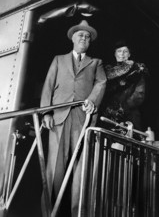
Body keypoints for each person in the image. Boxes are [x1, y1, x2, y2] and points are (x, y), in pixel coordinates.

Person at [40, 20, 107, 217]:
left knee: (81, 168)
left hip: (82, 118)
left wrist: (92, 101)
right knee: (54, 170)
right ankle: (48, 213)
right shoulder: (58, 59)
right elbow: (48, 85)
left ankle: (79, 213)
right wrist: (46, 112)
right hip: (58, 118)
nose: (84, 38)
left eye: (87, 37)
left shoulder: (96, 63)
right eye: (80, 35)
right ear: (73, 39)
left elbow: (101, 83)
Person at [102, 40, 148, 134]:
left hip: (128, 114)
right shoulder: (106, 71)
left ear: (129, 54)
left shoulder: (137, 70)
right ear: (115, 54)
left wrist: (123, 108)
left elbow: (139, 94)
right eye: (119, 51)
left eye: (125, 51)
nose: (122, 54)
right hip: (107, 114)